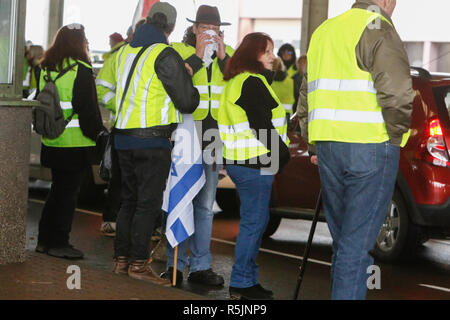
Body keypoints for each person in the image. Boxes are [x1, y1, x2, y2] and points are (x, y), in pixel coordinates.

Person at [298, 0, 414, 299]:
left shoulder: (325, 30)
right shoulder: (378, 28)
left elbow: (305, 95)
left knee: (345, 243)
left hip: (328, 148)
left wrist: (313, 140)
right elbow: (399, 93)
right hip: (369, 146)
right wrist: (395, 137)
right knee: (356, 245)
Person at [111, 2, 199, 286]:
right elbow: (187, 101)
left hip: (123, 138)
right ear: (171, 27)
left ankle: (121, 261)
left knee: (128, 202)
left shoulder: (124, 51)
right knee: (147, 205)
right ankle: (138, 264)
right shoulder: (164, 53)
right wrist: (189, 76)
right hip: (151, 142)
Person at [160, 5, 234, 287]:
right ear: (194, 29)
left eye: (214, 30)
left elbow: (238, 81)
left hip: (214, 137)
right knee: (180, 197)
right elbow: (179, 77)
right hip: (186, 135)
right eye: (204, 29)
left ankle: (201, 266)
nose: (209, 34)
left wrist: (224, 57)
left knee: (205, 205)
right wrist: (200, 55)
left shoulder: (228, 55)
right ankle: (174, 263)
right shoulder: (180, 51)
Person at [218, 32, 290, 300]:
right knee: (254, 223)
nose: (273, 56)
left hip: (244, 161)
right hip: (255, 163)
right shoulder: (251, 82)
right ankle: (242, 283)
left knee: (253, 222)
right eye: (267, 51)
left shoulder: (240, 81)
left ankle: (245, 280)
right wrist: (282, 156)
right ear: (253, 55)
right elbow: (262, 126)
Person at [35, 24, 104, 259]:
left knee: (57, 192)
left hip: (51, 141)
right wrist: (100, 136)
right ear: (79, 42)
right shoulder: (81, 70)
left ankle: (44, 240)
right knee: (67, 196)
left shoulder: (45, 68)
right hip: (74, 145)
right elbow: (88, 112)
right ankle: (59, 243)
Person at [271, 43, 302, 116]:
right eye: (283, 52)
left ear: (293, 54)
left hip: (292, 111)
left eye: (289, 52)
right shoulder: (271, 69)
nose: (286, 54)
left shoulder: (298, 70)